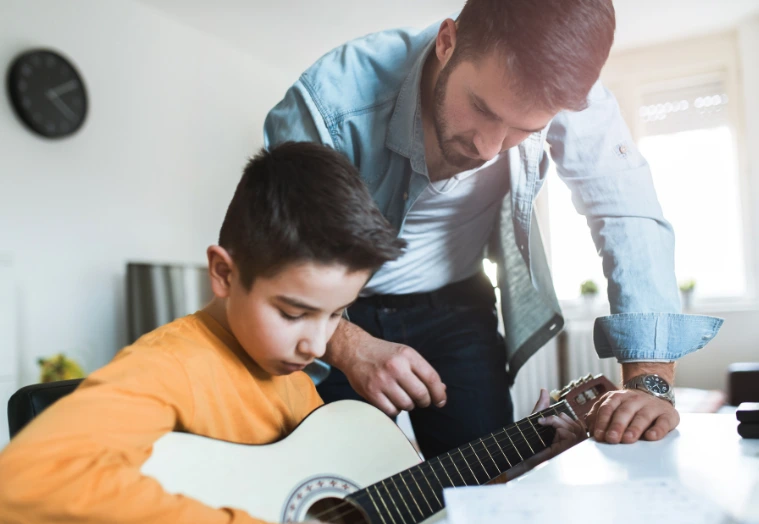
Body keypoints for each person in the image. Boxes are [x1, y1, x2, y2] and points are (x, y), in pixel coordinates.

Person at [0, 142, 584, 524]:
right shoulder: (172, 365)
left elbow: (365, 500)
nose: (316, 342)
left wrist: (517, 465)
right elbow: (23, 487)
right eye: (293, 311)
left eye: (338, 314)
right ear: (225, 275)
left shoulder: (293, 375)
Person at [264, 0, 724, 460]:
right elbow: (275, 257)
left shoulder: (570, 97)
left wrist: (648, 382)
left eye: (522, 130)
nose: (488, 148)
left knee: (486, 473)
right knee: (342, 482)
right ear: (447, 42)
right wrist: (348, 345)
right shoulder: (328, 105)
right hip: (340, 313)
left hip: (457, 304)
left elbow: (626, 215)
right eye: (480, 108)